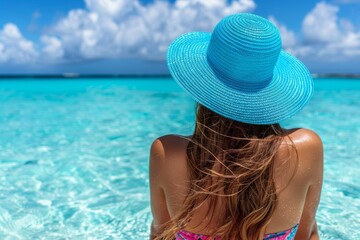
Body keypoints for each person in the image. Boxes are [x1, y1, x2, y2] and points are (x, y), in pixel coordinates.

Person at [149, 13, 323, 240]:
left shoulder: (167, 152)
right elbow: (307, 234)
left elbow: (160, 235)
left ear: (201, 83)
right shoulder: (305, 149)